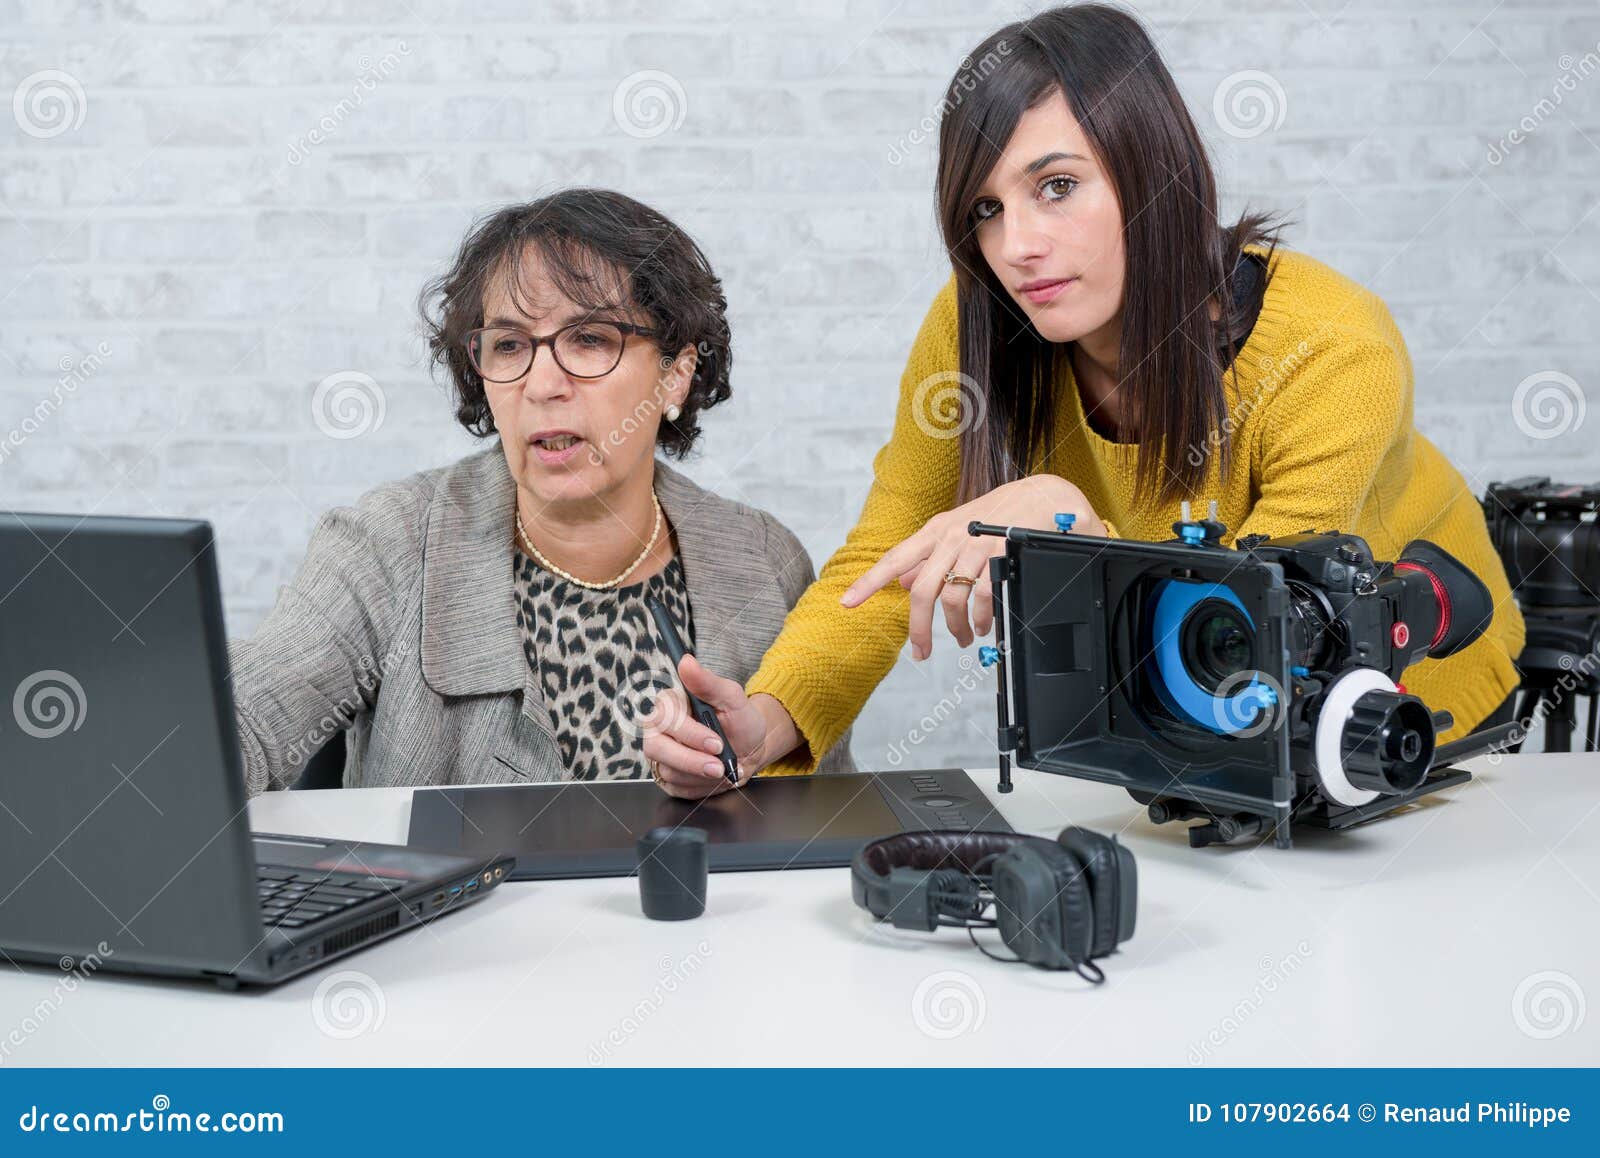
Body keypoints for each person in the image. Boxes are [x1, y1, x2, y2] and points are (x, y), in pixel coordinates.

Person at [642, 3, 1524, 797]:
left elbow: (1273, 629)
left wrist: (1068, 524)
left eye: (1056, 187)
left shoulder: (1333, 347)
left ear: (1154, 173)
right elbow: (891, 552)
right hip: (1206, 734)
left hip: (1410, 710)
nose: (1017, 244)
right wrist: (764, 722)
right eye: (985, 207)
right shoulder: (978, 324)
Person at [229, 188, 853, 794]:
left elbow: (819, 822)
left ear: (675, 375)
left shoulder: (766, 560)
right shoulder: (384, 544)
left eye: (590, 339)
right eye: (509, 346)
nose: (542, 383)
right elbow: (246, 718)